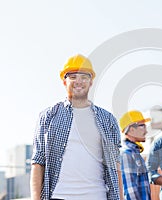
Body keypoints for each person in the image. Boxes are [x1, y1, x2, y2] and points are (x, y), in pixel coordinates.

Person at [30, 54, 123, 200]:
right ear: (64, 81)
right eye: (73, 76)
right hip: (59, 196)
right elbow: (38, 161)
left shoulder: (108, 119)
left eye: (84, 76)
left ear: (91, 82)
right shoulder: (48, 116)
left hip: (97, 196)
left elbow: (115, 164)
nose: (78, 81)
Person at [119, 110, 151, 200]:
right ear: (131, 129)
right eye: (142, 126)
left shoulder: (135, 153)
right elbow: (130, 191)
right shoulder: (126, 154)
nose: (146, 131)